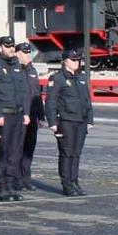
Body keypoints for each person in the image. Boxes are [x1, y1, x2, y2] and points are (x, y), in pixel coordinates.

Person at [0, 35, 29, 202]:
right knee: (3, 152)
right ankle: (2, 187)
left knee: (15, 152)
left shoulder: (17, 65)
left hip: (17, 114)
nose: (11, 49)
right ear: (0, 47)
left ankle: (11, 185)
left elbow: (23, 91)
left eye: (12, 46)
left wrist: (25, 112)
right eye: (7, 46)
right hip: (4, 115)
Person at [45, 47, 93, 194]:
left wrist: (90, 120)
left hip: (81, 121)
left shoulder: (82, 77)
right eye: (73, 60)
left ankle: (74, 181)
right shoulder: (57, 79)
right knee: (66, 153)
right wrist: (52, 122)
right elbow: (50, 102)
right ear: (65, 61)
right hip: (66, 121)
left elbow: (87, 100)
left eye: (78, 60)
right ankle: (66, 184)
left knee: (76, 153)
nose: (76, 63)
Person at [16, 41, 44, 189]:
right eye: (24, 52)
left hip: (32, 115)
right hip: (19, 115)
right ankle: (16, 178)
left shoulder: (32, 70)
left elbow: (36, 94)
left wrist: (41, 115)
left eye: (28, 52)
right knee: (17, 148)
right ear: (17, 54)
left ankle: (26, 178)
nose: (27, 55)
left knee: (29, 149)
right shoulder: (14, 70)